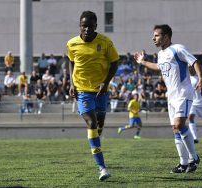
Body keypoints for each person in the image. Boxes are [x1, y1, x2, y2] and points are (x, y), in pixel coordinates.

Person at [134, 24, 202, 173]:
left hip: (183, 93)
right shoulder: (161, 54)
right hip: (171, 96)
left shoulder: (178, 48)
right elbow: (158, 67)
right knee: (175, 128)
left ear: (166, 37)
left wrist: (201, 79)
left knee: (179, 124)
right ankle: (183, 163)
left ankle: (194, 157)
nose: (153, 38)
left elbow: (194, 61)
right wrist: (142, 62)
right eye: (153, 35)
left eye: (156, 35)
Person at [67, 11, 119, 181]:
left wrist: (106, 82)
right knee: (92, 122)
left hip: (100, 90)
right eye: (84, 26)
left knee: (99, 124)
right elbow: (71, 61)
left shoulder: (105, 42)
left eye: (90, 26)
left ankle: (95, 141)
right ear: (79, 26)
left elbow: (115, 62)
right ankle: (102, 168)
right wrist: (71, 83)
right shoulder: (72, 43)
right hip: (82, 90)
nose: (87, 29)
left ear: (96, 26)